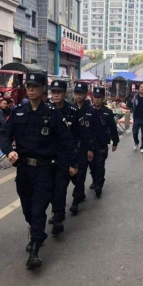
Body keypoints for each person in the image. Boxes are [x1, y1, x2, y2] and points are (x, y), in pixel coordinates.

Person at [0, 73, 78, 269]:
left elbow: (67, 140)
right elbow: (4, 134)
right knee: (27, 208)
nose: (31, 89)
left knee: (38, 209)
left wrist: (73, 163)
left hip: (44, 170)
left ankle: (34, 249)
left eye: (35, 86)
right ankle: (38, 232)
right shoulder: (18, 111)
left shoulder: (52, 113)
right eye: (28, 86)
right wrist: (9, 151)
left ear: (43, 89)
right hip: (23, 169)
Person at [48, 80, 92, 235]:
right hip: (49, 155)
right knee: (51, 188)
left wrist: (87, 149)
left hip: (67, 154)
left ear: (65, 93)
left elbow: (82, 133)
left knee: (61, 187)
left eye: (59, 92)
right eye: (53, 92)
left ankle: (59, 215)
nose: (56, 95)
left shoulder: (72, 111)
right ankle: (58, 210)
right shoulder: (47, 109)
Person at [68, 82, 97, 215]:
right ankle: (80, 192)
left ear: (86, 95)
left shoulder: (91, 111)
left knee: (81, 175)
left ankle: (75, 201)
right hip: (71, 148)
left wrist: (91, 148)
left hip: (84, 147)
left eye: (81, 93)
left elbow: (94, 132)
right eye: (76, 93)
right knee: (73, 175)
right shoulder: (70, 109)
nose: (78, 96)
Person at [89, 87, 119, 197]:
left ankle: (99, 185)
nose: (97, 99)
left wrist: (115, 142)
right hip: (90, 144)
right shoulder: (88, 110)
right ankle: (94, 179)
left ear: (103, 98)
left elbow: (113, 128)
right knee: (92, 165)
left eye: (99, 97)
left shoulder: (108, 112)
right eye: (95, 97)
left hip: (102, 143)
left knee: (100, 165)